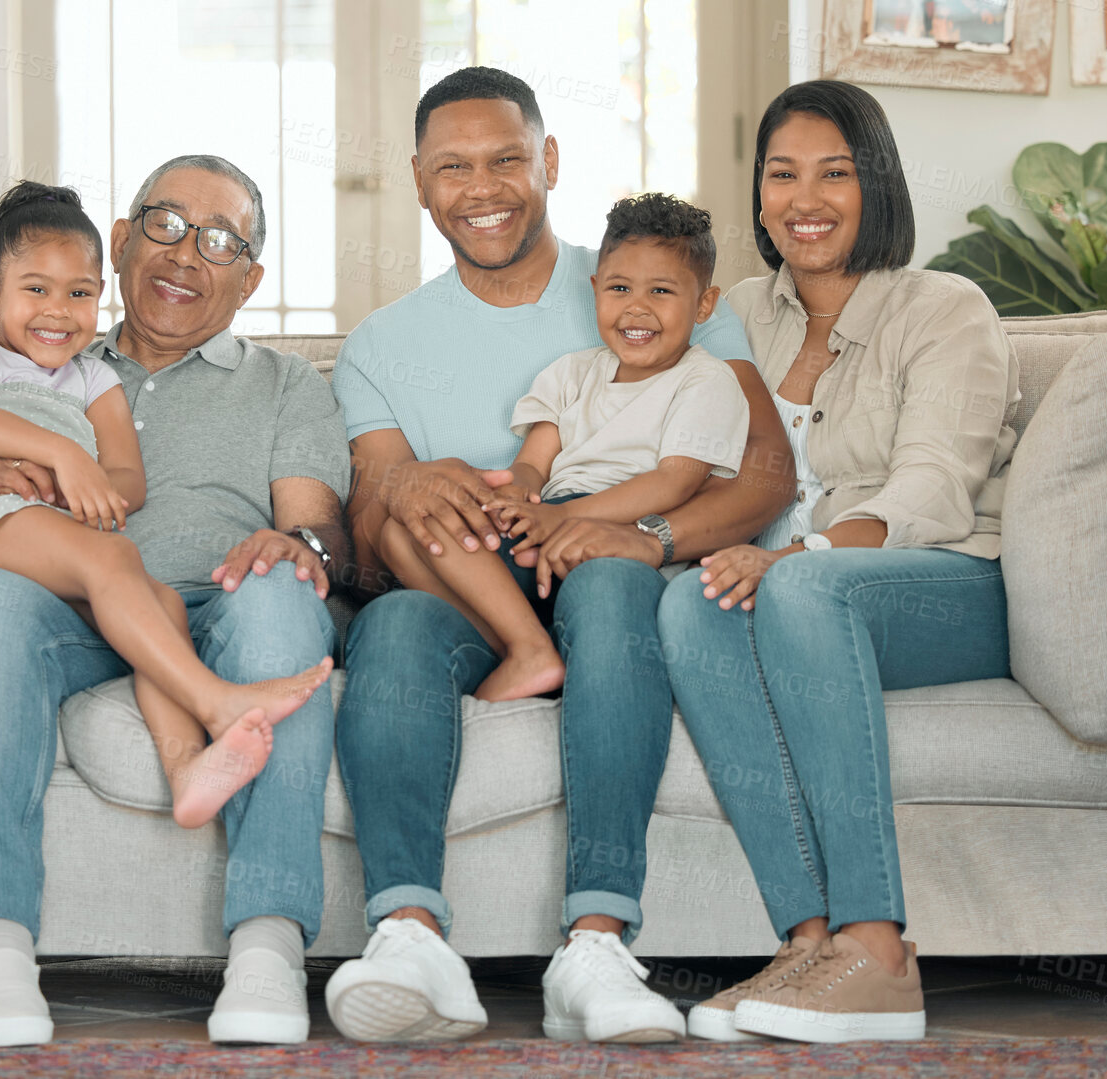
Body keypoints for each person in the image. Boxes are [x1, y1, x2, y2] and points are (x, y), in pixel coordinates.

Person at [325, 66, 794, 1045]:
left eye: (507, 159)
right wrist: (406, 486)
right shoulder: (381, 343)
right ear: (418, 180)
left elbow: (760, 478)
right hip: (470, 582)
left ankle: (595, 941)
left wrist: (642, 534)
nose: (483, 186)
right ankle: (407, 934)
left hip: (612, 571)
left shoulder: (650, 276)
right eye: (453, 167)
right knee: (396, 622)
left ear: (548, 161)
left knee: (619, 584)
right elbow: (370, 541)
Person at [0, 154, 351, 1048]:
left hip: (212, 597)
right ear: (125, 237)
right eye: (166, 223)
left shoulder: (286, 383)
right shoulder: (39, 350)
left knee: (283, 591)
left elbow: (318, 527)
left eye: (219, 241)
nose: (183, 254)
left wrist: (298, 545)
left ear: (249, 279)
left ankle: (266, 947)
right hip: (58, 598)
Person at [661, 79, 1019, 1044]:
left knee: (804, 587)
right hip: (787, 592)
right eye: (781, 174)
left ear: (879, 185)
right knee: (687, 606)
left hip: (937, 585)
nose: (803, 198)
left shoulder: (944, 307)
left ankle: (877, 946)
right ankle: (810, 942)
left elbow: (935, 491)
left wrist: (800, 557)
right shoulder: (735, 311)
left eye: (834, 173)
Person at [0, 181, 330, 828]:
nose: (58, 311)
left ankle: (187, 763)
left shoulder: (91, 376)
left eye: (79, 293)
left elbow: (127, 479)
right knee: (112, 558)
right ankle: (216, 703)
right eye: (35, 290)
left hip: (49, 533)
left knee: (157, 600)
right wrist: (66, 458)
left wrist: (96, 489)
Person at [377, 192, 749, 703]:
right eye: (619, 288)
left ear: (705, 304)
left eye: (661, 291)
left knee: (438, 537)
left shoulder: (706, 380)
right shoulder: (574, 372)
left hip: (622, 536)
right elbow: (533, 461)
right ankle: (524, 647)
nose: (636, 308)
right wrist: (513, 495)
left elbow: (675, 480)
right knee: (401, 532)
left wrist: (570, 518)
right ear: (595, 289)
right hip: (553, 521)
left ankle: (530, 650)